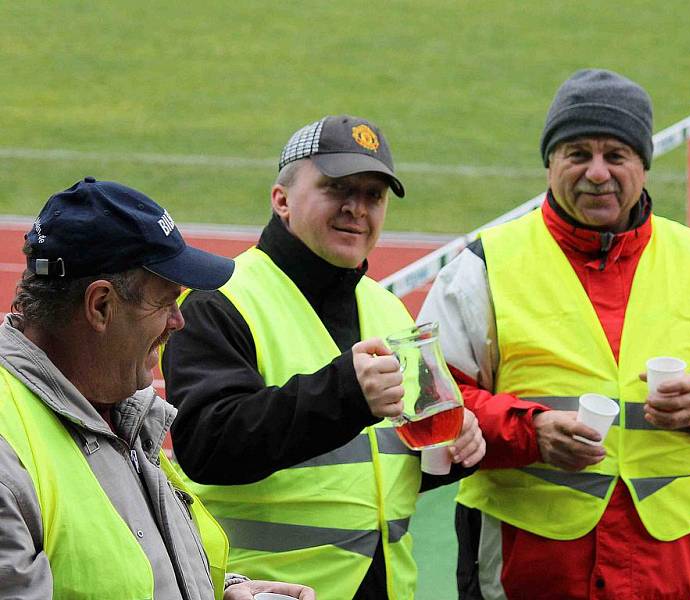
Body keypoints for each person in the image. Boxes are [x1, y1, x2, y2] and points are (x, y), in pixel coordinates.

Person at [418, 69, 690, 600]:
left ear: (643, 164)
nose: (598, 173)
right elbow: (428, 400)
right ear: (549, 163)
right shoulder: (484, 265)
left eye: (616, 155)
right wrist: (532, 432)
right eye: (577, 154)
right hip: (527, 568)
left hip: (662, 569)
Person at [161, 115, 486, 599]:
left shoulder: (388, 308)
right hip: (268, 591)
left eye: (373, 196)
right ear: (282, 200)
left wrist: (453, 451)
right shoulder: (220, 300)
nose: (357, 208)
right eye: (337, 188)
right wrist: (346, 393)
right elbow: (208, 446)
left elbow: (372, 473)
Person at [0, 177, 315, 600]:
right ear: (101, 306)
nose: (178, 320)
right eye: (164, 301)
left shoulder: (119, 407)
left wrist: (223, 592)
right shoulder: (10, 450)